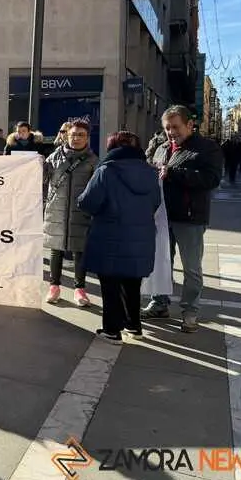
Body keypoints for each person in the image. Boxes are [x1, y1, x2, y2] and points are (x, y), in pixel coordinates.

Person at [143, 105, 224, 333]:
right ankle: (159, 303)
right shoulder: (161, 148)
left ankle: (190, 311)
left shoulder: (207, 148)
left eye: (175, 127)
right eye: (167, 128)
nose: (171, 132)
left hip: (190, 218)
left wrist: (174, 173)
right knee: (161, 263)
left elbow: (211, 179)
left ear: (190, 125)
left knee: (191, 268)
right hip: (161, 216)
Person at [78, 131, 161, 344]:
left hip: (110, 235)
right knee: (133, 283)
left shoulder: (106, 170)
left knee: (110, 284)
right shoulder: (150, 172)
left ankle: (112, 330)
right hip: (141, 236)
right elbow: (155, 203)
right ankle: (134, 325)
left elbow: (88, 202)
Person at [43, 120, 98, 306]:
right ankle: (54, 287)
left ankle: (79, 289)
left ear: (88, 138)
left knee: (79, 251)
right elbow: (42, 179)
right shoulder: (53, 157)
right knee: (55, 249)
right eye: (73, 134)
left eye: (81, 135)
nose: (76, 138)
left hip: (80, 212)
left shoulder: (92, 160)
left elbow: (97, 188)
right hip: (56, 210)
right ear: (66, 135)